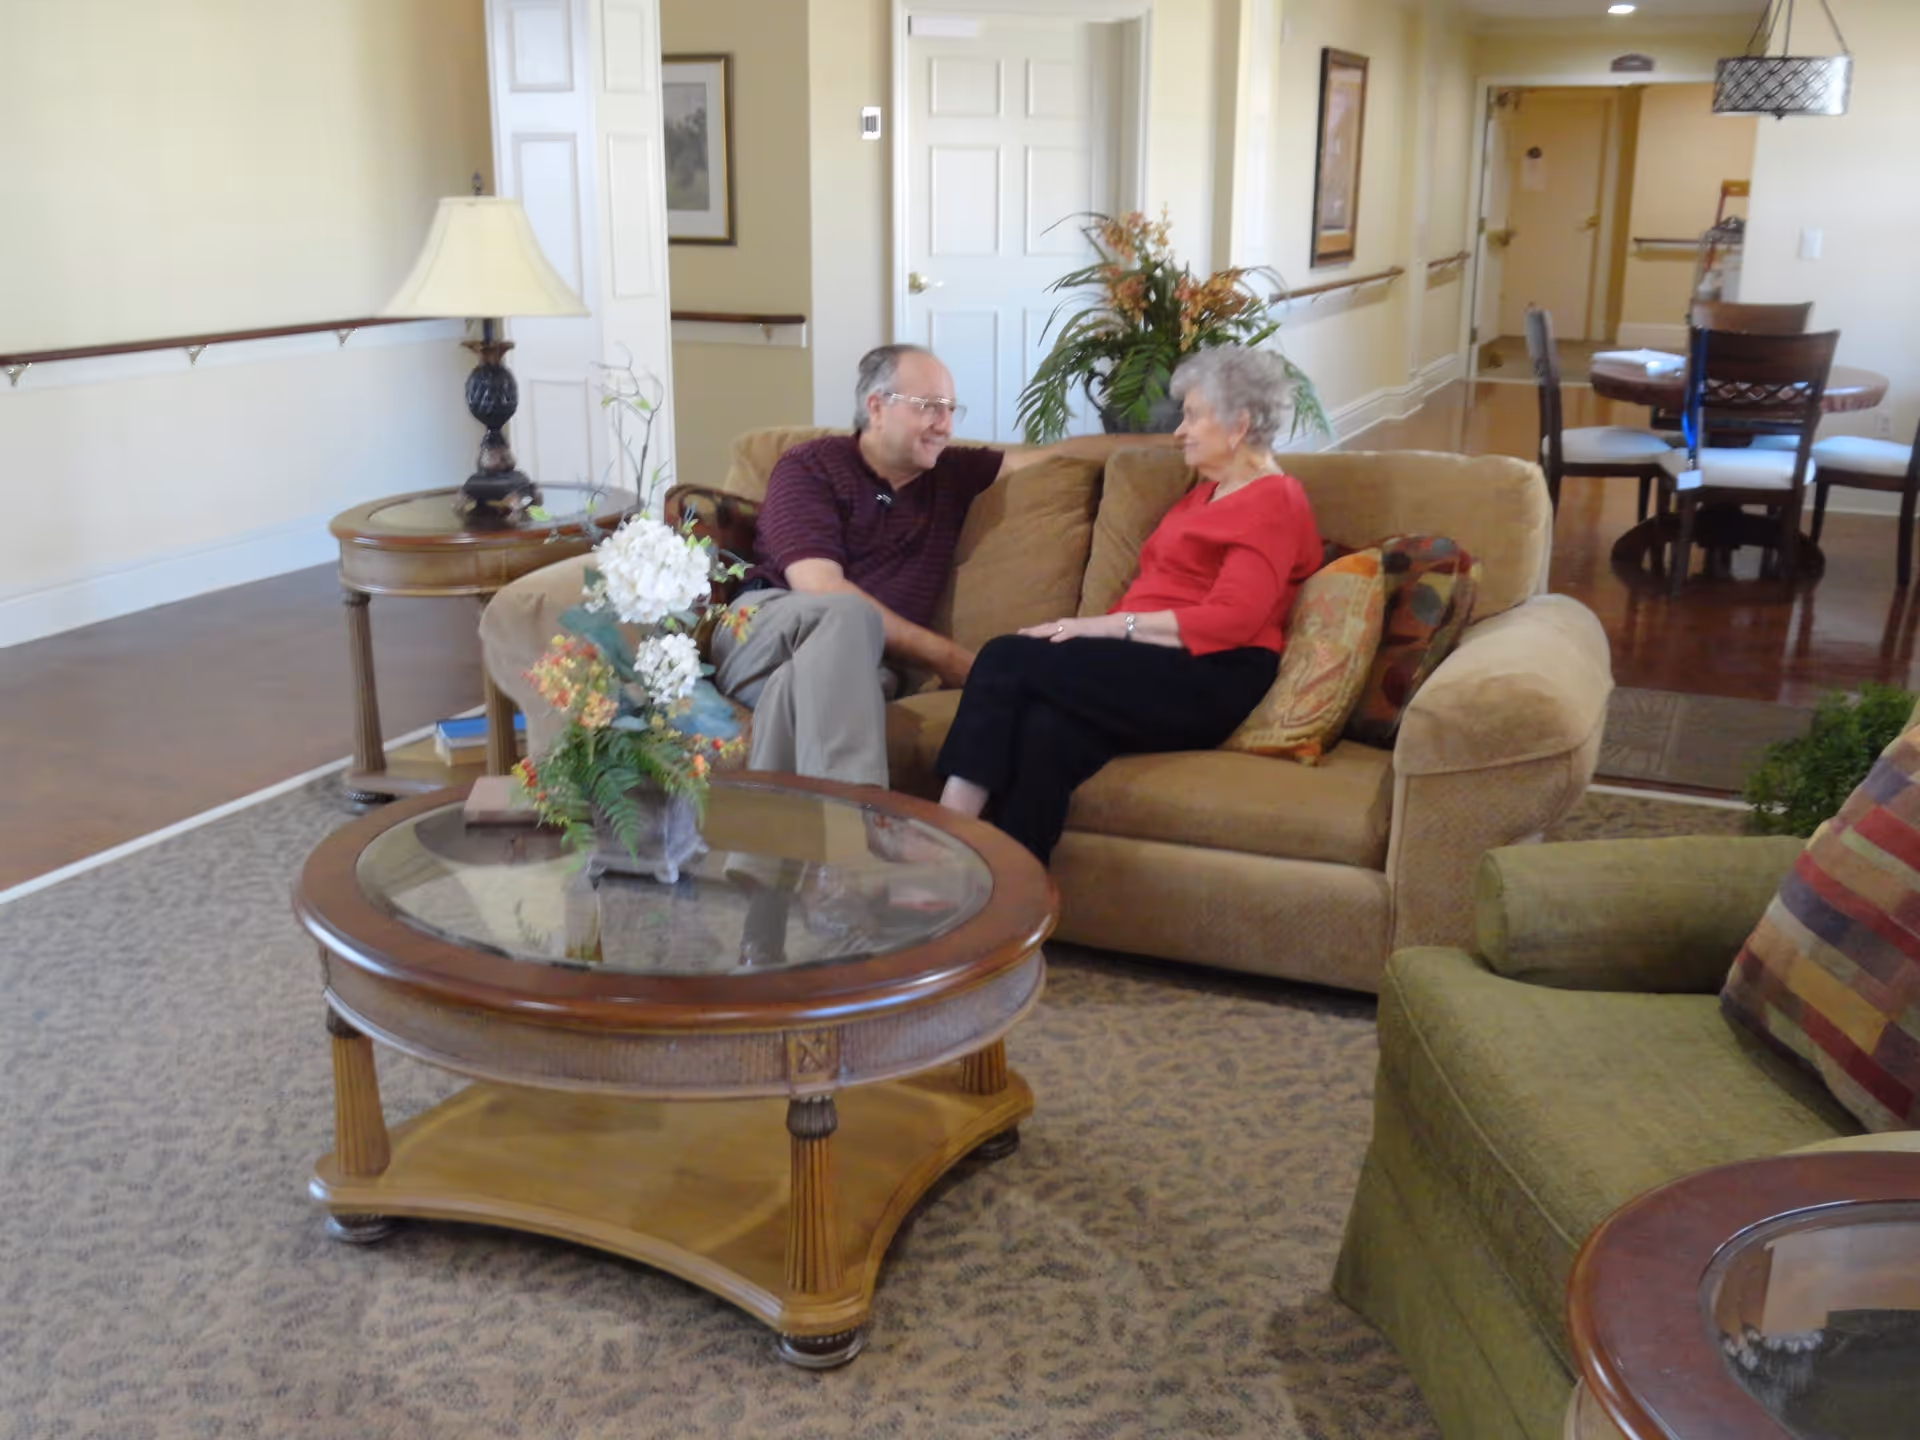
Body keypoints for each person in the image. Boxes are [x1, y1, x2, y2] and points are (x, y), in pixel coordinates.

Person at [934, 346, 1321, 864]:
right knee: (1044, 732)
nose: (1179, 431)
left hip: (1213, 675)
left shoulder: (1273, 499)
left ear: (1239, 423)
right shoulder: (1205, 493)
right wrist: (1106, 630)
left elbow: (1234, 620)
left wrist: (1107, 627)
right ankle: (1016, 921)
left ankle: (942, 843)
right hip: (1153, 666)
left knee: (1006, 657)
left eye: (1192, 416)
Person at [710, 343, 1064, 787]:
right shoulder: (812, 466)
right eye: (930, 408)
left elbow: (1060, 455)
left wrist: (1163, 443)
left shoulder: (952, 474)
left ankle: (773, 852)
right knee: (849, 620)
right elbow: (818, 588)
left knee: (806, 692)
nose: (946, 425)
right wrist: (948, 657)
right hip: (764, 630)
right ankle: (854, 837)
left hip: (864, 663)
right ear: (876, 407)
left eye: (952, 409)